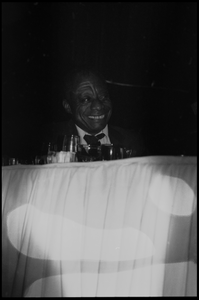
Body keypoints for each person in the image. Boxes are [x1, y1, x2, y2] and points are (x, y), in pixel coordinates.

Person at [42, 68, 145, 157]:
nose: (99, 106)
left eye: (103, 97)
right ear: (68, 106)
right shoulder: (48, 139)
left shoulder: (132, 142)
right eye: (86, 99)